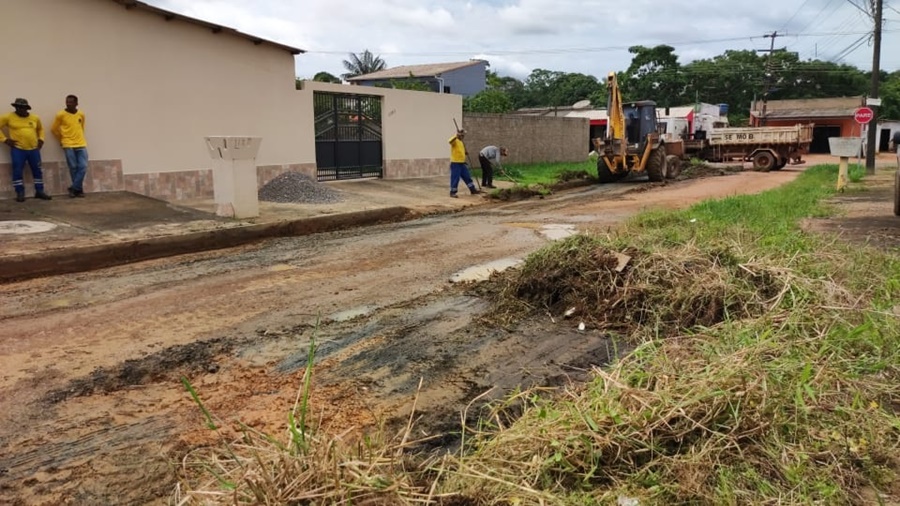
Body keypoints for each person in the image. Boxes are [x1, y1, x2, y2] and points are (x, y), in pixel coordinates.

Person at [0, 98, 52, 202]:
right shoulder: (8, 117)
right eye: (18, 107)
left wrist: (41, 140)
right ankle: (20, 192)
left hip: (33, 149)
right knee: (17, 170)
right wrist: (5, 140)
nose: (20, 109)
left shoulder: (35, 118)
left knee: (37, 170)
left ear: (27, 108)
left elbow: (40, 129)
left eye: (22, 107)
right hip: (18, 149)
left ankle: (39, 191)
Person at [51, 94, 88, 198]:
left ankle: (74, 188)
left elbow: (82, 127)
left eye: (71, 102)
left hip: (81, 143)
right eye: (67, 102)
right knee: (73, 167)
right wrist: (61, 139)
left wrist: (80, 137)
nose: (68, 104)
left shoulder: (81, 114)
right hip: (68, 144)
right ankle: (79, 190)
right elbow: (54, 129)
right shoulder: (61, 115)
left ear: (76, 103)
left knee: (83, 166)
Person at [448, 129, 479, 198]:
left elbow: (460, 151)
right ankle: (453, 192)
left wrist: (465, 152)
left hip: (462, 163)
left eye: (463, 135)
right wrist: (456, 135)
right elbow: (450, 141)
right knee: (455, 178)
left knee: (467, 176)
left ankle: (472, 189)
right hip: (455, 163)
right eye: (462, 135)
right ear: (459, 135)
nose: (463, 136)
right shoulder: (455, 140)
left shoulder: (461, 142)